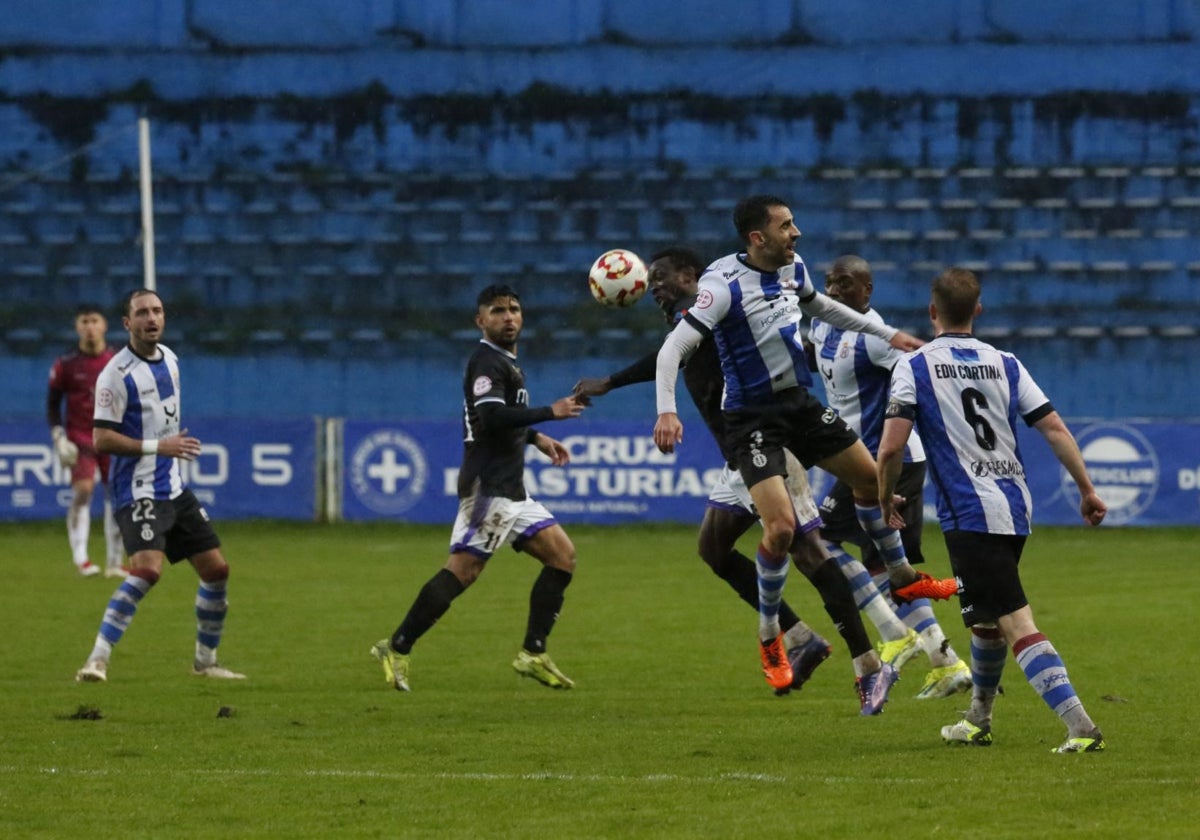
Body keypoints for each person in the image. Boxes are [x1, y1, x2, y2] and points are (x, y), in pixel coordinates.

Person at [652, 195, 955, 697]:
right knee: (781, 529)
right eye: (786, 226)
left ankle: (901, 572)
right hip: (751, 419)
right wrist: (667, 409)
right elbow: (672, 348)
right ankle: (771, 633)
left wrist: (888, 333)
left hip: (799, 405)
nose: (797, 233)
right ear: (757, 238)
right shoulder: (721, 286)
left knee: (870, 476)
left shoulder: (794, 267)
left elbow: (820, 305)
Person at [576, 247, 896, 714]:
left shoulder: (716, 306)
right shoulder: (692, 318)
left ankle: (866, 662)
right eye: (652, 282)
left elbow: (672, 354)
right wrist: (613, 382)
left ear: (690, 275)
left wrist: (611, 382)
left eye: (662, 277)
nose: (655, 288)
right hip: (742, 454)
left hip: (768, 443)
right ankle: (802, 637)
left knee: (808, 551)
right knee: (715, 548)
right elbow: (672, 354)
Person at [877, 267, 1107, 753]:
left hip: (969, 511)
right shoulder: (1006, 363)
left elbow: (891, 446)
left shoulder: (914, 365)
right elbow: (1055, 429)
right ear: (978, 310)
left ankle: (1081, 727)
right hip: (1016, 507)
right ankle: (978, 719)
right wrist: (1086, 489)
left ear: (932, 312)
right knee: (986, 617)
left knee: (1014, 619)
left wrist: (884, 493)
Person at [371, 284, 587, 692]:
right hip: (488, 488)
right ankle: (397, 647)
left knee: (562, 557)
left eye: (515, 309)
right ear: (480, 320)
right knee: (463, 572)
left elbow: (498, 416)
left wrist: (536, 437)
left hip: (511, 489)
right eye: (498, 311)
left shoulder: (503, 362)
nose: (509, 317)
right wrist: (550, 414)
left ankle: (533, 653)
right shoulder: (488, 362)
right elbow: (489, 418)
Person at [807, 255, 972, 700]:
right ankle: (946, 662)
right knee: (884, 567)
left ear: (868, 290)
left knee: (818, 540)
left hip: (888, 464)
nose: (836, 291)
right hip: (855, 461)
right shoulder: (821, 326)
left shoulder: (876, 338)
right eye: (829, 283)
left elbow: (925, 371)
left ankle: (895, 633)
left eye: (845, 283)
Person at [75, 289, 245, 683]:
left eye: (157, 311)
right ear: (127, 323)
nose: (151, 318)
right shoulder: (115, 375)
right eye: (142, 313)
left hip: (172, 486)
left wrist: (168, 444)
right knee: (148, 570)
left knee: (217, 570)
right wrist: (159, 446)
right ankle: (96, 660)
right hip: (137, 489)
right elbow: (101, 439)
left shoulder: (170, 359)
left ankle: (206, 662)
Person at [46, 303, 126, 578]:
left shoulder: (118, 362)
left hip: (112, 437)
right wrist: (58, 436)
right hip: (80, 437)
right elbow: (53, 405)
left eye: (95, 321)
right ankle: (81, 557)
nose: (90, 327)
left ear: (104, 325)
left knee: (116, 497)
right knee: (84, 490)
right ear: (77, 327)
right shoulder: (66, 364)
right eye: (84, 321)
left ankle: (114, 562)